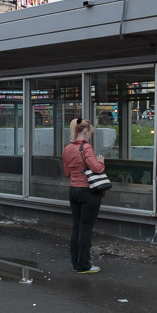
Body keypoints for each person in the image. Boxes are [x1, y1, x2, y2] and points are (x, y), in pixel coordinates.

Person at [63, 117, 105, 274]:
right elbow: (96, 168)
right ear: (85, 131)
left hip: (73, 190)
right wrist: (101, 162)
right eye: (90, 133)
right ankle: (84, 265)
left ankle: (75, 263)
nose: (90, 136)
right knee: (86, 230)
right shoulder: (86, 147)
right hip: (88, 191)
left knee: (76, 228)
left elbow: (67, 171)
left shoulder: (67, 149)